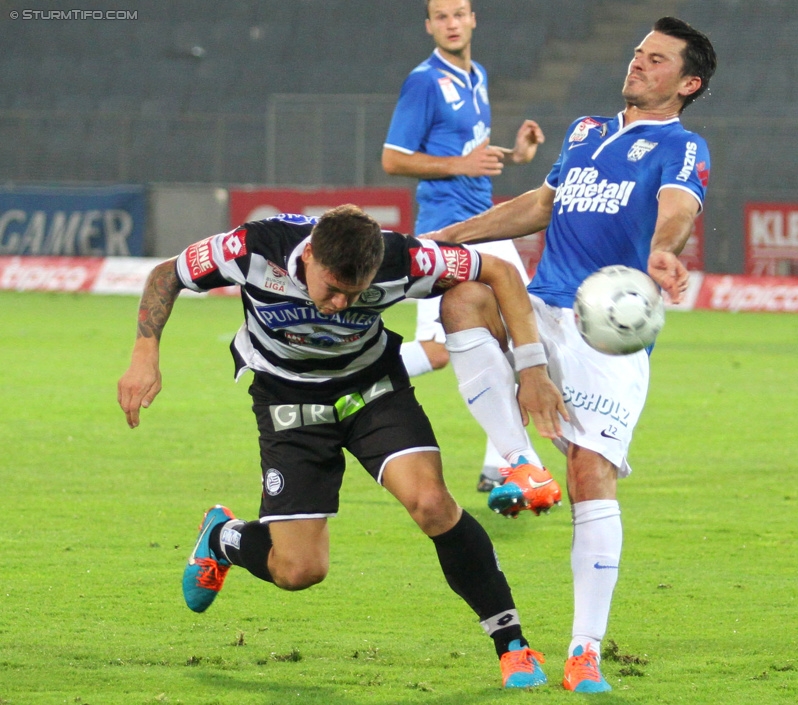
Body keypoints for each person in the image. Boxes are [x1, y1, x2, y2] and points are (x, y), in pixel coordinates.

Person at [116, 205, 567, 688]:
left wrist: (531, 367)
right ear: (308, 254)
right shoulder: (250, 249)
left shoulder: (401, 258)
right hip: (289, 403)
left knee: (433, 504)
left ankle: (512, 645)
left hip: (373, 392)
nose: (337, 303)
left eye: (353, 294)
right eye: (331, 288)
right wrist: (145, 353)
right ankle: (223, 537)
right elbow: (168, 274)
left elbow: (495, 270)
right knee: (299, 570)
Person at [431, 17, 717, 693]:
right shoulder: (587, 130)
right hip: (542, 305)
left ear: (688, 82)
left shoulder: (682, 145)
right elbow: (541, 205)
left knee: (592, 475)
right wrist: (449, 236)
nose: (638, 64)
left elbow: (678, 208)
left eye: (656, 60)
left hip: (607, 331)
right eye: (638, 53)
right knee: (465, 296)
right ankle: (522, 462)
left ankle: (584, 650)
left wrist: (663, 248)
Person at [382, 0, 549, 493]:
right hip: (447, 227)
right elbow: (394, 159)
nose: (453, 23)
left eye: (460, 14)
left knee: (517, 337)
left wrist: (516, 155)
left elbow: (468, 154)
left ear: (473, 19)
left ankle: (505, 463)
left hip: (488, 225)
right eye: (442, 16)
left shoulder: (477, 76)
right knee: (439, 350)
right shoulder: (424, 82)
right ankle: (339, 380)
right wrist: (460, 167)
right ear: (429, 26)